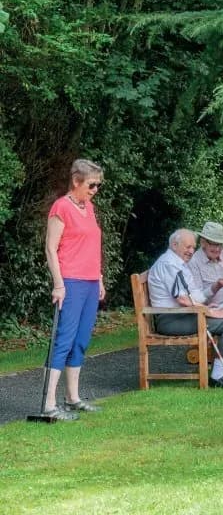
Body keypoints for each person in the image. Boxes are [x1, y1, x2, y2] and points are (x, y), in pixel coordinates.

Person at [43, 159, 106, 420]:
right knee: (64, 340)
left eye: (98, 186)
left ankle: (72, 398)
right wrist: (59, 284)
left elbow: (92, 247)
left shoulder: (88, 208)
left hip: (90, 282)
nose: (95, 190)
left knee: (80, 341)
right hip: (70, 281)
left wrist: (99, 279)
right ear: (76, 181)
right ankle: (48, 404)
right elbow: (50, 248)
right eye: (91, 185)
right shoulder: (61, 207)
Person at [147, 229, 223, 388]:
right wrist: (211, 311)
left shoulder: (179, 264)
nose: (191, 251)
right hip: (171, 319)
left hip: (185, 315)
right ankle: (218, 377)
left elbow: (194, 296)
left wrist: (214, 290)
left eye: (193, 247)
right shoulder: (168, 264)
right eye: (187, 247)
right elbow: (182, 299)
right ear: (174, 245)